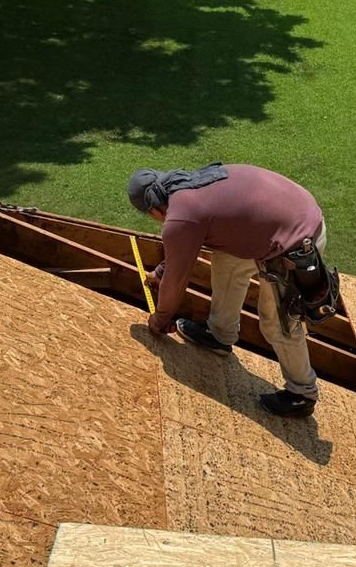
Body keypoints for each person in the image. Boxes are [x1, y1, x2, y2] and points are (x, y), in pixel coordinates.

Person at [127, 163, 328, 417]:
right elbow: (185, 246)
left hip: (297, 242)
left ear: (154, 208)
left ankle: (302, 393)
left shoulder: (181, 217)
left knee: (277, 321)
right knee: (227, 262)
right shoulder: (191, 185)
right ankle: (219, 334)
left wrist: (161, 318)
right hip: (292, 214)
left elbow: (177, 279)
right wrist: (159, 272)